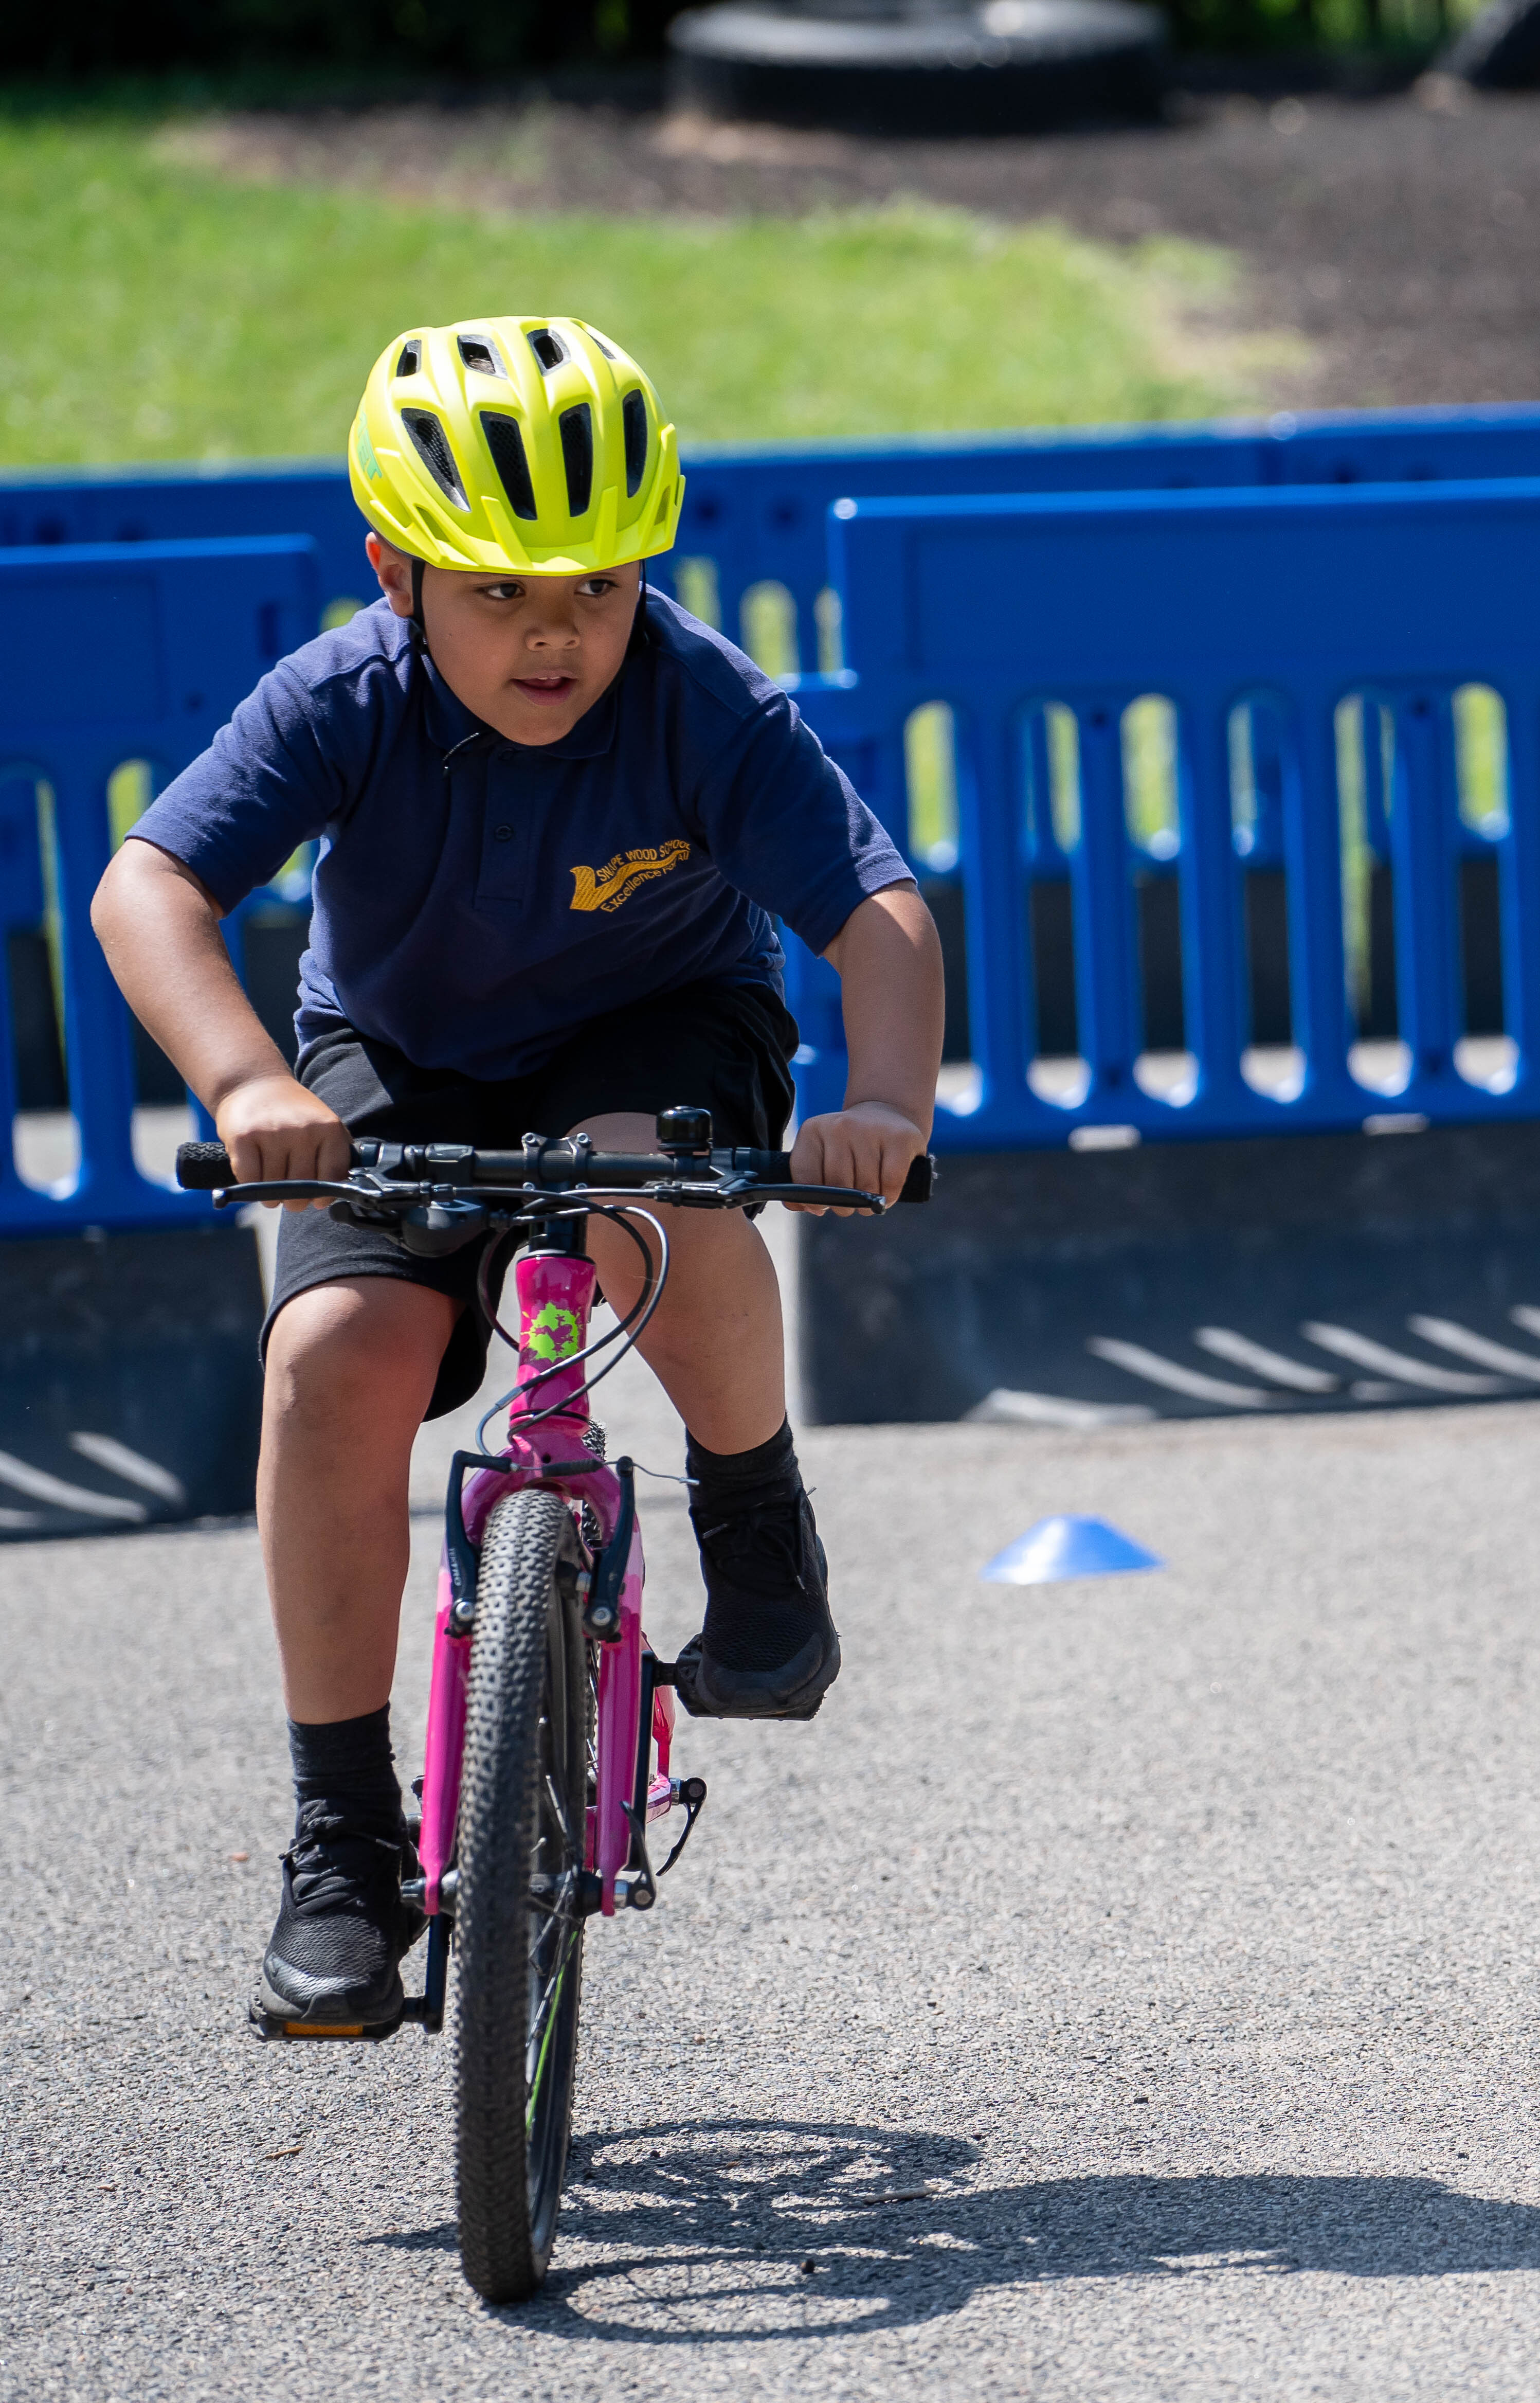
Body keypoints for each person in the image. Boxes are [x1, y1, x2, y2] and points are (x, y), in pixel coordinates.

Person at [92, 316, 943, 2036]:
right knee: (333, 1359)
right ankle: (342, 1842)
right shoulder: (342, 697)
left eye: (599, 588)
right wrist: (251, 1078)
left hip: (657, 1027)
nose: (557, 633)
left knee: (641, 1189)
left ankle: (757, 1514)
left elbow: (877, 910)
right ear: (396, 572)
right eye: (499, 593)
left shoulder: (702, 702)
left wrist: (888, 1103)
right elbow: (147, 887)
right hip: (392, 1059)